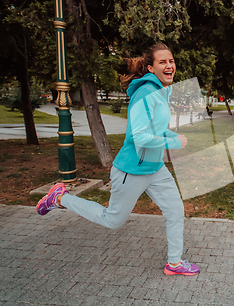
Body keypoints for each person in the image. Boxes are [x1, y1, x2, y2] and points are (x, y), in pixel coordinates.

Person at [36, 43, 199, 276]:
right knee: (112, 220)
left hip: (155, 168)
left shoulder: (161, 92)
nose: (169, 65)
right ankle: (61, 198)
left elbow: (156, 129)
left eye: (171, 61)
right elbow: (140, 137)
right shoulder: (146, 93)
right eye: (162, 62)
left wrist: (174, 136)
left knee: (175, 211)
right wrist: (174, 142)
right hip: (131, 170)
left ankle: (174, 263)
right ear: (151, 68)